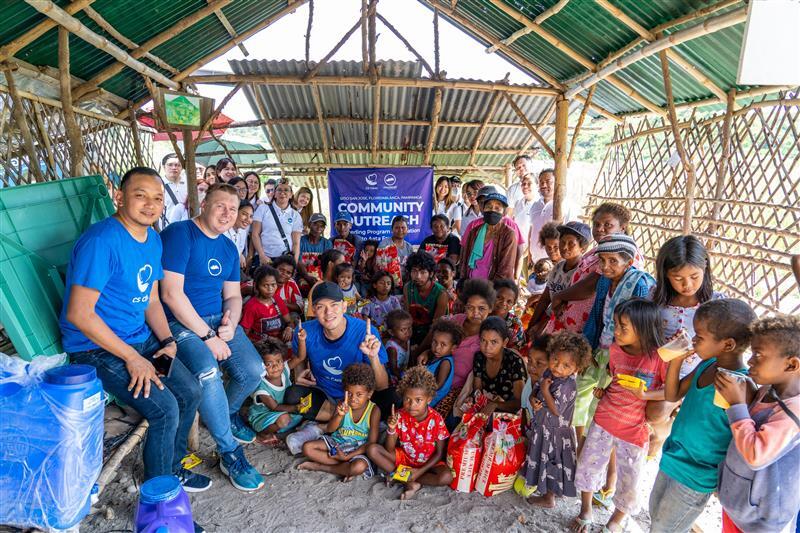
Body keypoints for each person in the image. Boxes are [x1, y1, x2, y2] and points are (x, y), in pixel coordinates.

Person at [58, 167, 206, 494]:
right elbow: (80, 314)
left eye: (157, 198)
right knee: (165, 408)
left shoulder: (152, 238)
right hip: (94, 347)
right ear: (120, 197)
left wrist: (167, 340)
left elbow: (151, 298)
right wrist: (132, 358)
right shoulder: (102, 241)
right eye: (140, 196)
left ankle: (173, 467)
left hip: (138, 337)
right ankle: (158, 495)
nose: (150, 205)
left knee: (191, 391)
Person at [159, 182, 265, 492]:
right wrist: (208, 336)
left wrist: (230, 320)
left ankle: (224, 413)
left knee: (252, 371)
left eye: (233, 209)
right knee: (207, 371)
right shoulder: (180, 234)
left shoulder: (228, 246)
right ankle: (229, 451)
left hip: (217, 320)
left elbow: (232, 295)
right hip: (179, 322)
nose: (227, 214)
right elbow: (171, 294)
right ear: (203, 204)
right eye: (221, 206)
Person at [648, 298, 757, 533]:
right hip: (674, 457)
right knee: (655, 515)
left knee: (664, 528)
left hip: (697, 474)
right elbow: (673, 393)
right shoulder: (707, 364)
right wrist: (676, 362)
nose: (694, 340)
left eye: (700, 336)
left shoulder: (741, 384)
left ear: (727, 344)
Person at [572, 299, 667, 533]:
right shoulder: (614, 350)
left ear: (644, 329)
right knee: (588, 465)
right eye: (615, 324)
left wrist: (646, 395)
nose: (616, 331)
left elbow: (670, 391)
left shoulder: (659, 359)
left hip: (634, 430)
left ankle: (616, 519)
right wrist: (603, 391)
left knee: (630, 479)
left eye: (623, 327)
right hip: (604, 420)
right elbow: (614, 379)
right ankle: (585, 509)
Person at [716, 315, 800, 533]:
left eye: (758, 355)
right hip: (739, 506)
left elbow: (756, 455)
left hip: (760, 522)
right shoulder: (770, 389)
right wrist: (749, 395)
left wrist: (736, 404)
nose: (750, 361)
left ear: (791, 364)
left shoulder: (794, 412)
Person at [647, 235, 723, 456]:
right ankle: (662, 432)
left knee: (658, 411)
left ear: (705, 268)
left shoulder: (716, 303)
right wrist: (667, 346)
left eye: (694, 276)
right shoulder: (655, 298)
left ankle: (663, 434)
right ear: (665, 275)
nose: (687, 284)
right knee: (649, 411)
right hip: (657, 369)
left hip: (695, 374)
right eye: (677, 277)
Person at [575, 234, 655, 443]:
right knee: (580, 391)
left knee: (600, 400)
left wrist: (618, 359)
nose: (606, 266)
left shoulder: (639, 285)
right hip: (599, 349)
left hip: (618, 356)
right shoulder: (604, 281)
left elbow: (638, 326)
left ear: (629, 262)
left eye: (613, 261)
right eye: (602, 260)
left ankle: (590, 445)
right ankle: (576, 441)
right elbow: (596, 314)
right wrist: (587, 348)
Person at [287, 282, 389, 422]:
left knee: (391, 398)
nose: (328, 312)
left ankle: (329, 423)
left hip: (359, 398)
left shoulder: (365, 332)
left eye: (334, 305)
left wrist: (373, 357)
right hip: (325, 396)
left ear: (344, 306)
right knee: (293, 395)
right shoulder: (304, 331)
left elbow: (382, 386)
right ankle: (352, 422)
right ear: (314, 311)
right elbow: (300, 362)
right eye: (321, 307)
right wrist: (300, 377)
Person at [549, 203, 638, 336]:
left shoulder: (625, 254)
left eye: (607, 225)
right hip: (571, 325)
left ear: (623, 228)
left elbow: (590, 287)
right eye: (596, 224)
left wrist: (560, 296)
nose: (600, 229)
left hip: (592, 329)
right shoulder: (597, 250)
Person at [524, 331, 591, 508]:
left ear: (576, 368)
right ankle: (547, 492)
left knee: (553, 464)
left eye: (566, 365)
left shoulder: (569, 385)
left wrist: (545, 392)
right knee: (543, 460)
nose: (558, 368)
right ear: (551, 354)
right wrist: (533, 399)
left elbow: (557, 411)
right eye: (555, 360)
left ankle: (549, 498)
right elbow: (536, 388)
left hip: (556, 433)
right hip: (543, 427)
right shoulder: (548, 373)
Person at [366, 367, 453, 500]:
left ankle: (404, 477)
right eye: (407, 399)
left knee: (446, 476)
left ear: (428, 399)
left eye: (418, 400)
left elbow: (439, 453)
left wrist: (419, 471)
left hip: (427, 463)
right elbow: (389, 449)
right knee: (372, 449)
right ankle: (410, 482)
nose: (412, 405)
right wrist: (391, 428)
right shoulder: (400, 415)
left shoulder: (436, 419)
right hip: (404, 459)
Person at [298, 363, 381, 481]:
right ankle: (344, 469)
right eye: (350, 393)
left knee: (358, 467)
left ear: (369, 393)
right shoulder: (342, 404)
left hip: (358, 449)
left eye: (359, 394)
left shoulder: (374, 411)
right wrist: (339, 415)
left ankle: (322, 467)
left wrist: (347, 457)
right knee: (307, 448)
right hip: (338, 442)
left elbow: (372, 442)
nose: (353, 398)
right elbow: (331, 429)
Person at [528, 221, 592, 336]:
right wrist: (531, 325)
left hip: (565, 327)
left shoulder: (583, 272)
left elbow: (563, 308)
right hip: (548, 318)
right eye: (562, 242)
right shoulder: (558, 267)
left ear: (583, 248)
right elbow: (545, 299)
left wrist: (541, 325)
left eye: (571, 244)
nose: (564, 247)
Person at [464, 316, 525, 417]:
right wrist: (472, 398)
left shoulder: (514, 361)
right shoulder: (479, 357)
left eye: (494, 342)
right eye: (483, 340)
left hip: (507, 415)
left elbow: (519, 403)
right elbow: (477, 391)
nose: (487, 347)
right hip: (484, 409)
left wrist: (495, 404)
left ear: (504, 342)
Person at [248, 337, 305, 444]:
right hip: (264, 416)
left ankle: (283, 427)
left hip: (284, 410)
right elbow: (275, 407)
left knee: (302, 412)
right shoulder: (262, 388)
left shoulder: (284, 370)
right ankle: (263, 434)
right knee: (284, 419)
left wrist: (301, 340)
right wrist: (294, 408)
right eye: (269, 364)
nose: (275, 366)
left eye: (278, 361)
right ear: (259, 366)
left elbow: (300, 357)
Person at [460, 190, 518, 280]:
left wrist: (491, 290)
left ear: (503, 213)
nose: (492, 210)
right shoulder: (474, 231)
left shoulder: (508, 234)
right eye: (489, 207)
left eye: (497, 208)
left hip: (493, 287)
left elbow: (505, 268)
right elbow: (465, 259)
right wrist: (463, 280)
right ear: (483, 209)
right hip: (471, 284)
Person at [527, 169, 579, 262]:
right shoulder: (535, 205)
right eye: (541, 182)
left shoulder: (566, 205)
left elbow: (572, 235)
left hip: (556, 261)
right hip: (536, 259)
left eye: (548, 182)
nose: (543, 185)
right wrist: (530, 255)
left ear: (556, 183)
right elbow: (532, 230)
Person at [252, 179, 302, 266]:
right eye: (279, 190)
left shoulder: (295, 215)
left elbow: (296, 243)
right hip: (264, 258)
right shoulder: (263, 209)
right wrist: (261, 255)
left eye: (286, 190)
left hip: (284, 260)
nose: (282, 192)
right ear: (274, 194)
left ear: (291, 195)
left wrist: (294, 264)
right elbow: (255, 234)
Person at [403, 251, 448, 348]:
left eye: (423, 272)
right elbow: (407, 318)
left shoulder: (441, 293)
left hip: (434, 337)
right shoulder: (408, 287)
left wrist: (419, 350)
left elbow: (435, 327)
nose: (418, 276)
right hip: (413, 333)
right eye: (414, 271)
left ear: (431, 274)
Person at [240, 265, 293, 344]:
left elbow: (289, 321)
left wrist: (289, 328)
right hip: (261, 345)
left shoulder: (277, 300)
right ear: (257, 286)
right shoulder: (251, 307)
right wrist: (262, 342)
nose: (270, 289)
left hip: (279, 342)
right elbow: (244, 335)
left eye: (273, 285)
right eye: (265, 285)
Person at [426, 319, 462, 410]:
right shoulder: (436, 357)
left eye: (443, 344)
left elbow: (438, 385)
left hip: (430, 402)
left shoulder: (445, 362)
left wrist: (419, 387)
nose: (437, 348)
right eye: (435, 342)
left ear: (453, 348)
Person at [298, 213, 333, 291]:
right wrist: (307, 277)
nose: (318, 228)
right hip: (302, 276)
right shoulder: (300, 241)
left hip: (321, 277)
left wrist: (323, 280)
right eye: (315, 224)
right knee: (303, 286)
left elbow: (328, 265)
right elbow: (298, 261)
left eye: (321, 226)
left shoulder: (327, 243)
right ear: (309, 224)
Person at [510, 173, 537, 273]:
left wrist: (526, 253)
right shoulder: (518, 203)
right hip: (517, 250)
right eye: (523, 183)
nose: (525, 186)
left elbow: (535, 233)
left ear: (536, 185)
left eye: (529, 183)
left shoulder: (538, 205)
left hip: (530, 253)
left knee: (530, 281)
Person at [492, 279, 526, 352]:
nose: (504, 303)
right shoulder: (482, 315)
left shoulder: (516, 324)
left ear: (513, 304)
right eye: (499, 297)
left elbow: (514, 351)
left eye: (509, 301)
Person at [224, 201, 254, 272]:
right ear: (234, 212)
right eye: (244, 214)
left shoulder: (242, 231)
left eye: (251, 216)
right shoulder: (222, 231)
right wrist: (238, 256)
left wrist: (240, 255)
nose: (248, 219)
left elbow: (239, 249)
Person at [385, 309, 413, 382]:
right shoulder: (392, 348)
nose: (408, 332)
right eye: (403, 329)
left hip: (404, 374)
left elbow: (410, 358)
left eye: (409, 328)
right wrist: (407, 379)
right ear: (391, 332)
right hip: (394, 379)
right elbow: (393, 370)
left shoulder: (407, 340)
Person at [160, 153, 187, 226]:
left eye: (178, 165)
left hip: (186, 228)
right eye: (170, 165)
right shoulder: (158, 185)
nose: (174, 168)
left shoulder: (189, 185)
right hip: (166, 228)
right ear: (163, 166)